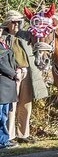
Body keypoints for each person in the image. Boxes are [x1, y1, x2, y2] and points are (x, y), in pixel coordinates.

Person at [3, 11, 48, 143]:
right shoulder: (3, 36)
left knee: (26, 104)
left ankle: (23, 134)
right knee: (11, 105)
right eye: (14, 22)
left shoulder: (26, 35)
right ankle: (9, 135)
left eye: (19, 22)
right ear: (8, 23)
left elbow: (40, 35)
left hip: (26, 71)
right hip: (10, 74)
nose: (17, 24)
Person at [0, 30, 19, 149]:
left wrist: (17, 69)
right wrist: (14, 73)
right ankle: (3, 141)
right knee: (1, 115)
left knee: (4, 115)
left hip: (7, 84)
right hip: (2, 83)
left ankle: (4, 139)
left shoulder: (4, 44)